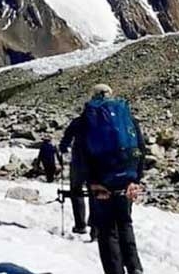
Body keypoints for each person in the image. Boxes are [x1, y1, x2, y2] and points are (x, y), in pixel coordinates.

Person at [75, 83, 145, 274]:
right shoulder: (126, 116)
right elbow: (140, 149)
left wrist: (92, 182)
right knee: (125, 223)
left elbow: (81, 156)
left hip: (101, 183)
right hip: (126, 181)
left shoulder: (87, 119)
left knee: (106, 230)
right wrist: (135, 180)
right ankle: (135, 268)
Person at [60, 114, 90, 235]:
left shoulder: (78, 121)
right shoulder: (103, 122)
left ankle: (80, 225)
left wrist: (63, 149)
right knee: (97, 193)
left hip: (79, 162)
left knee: (76, 191)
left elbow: (66, 140)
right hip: (98, 163)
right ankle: (96, 228)